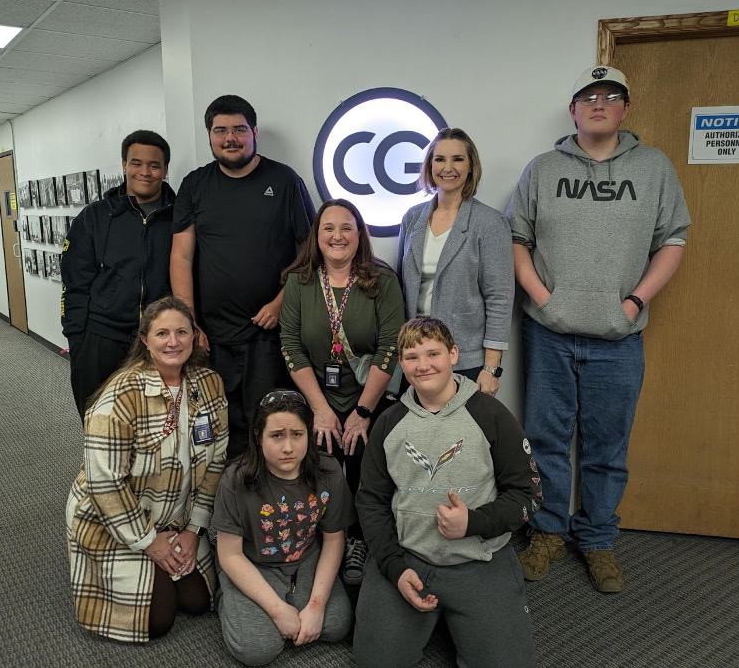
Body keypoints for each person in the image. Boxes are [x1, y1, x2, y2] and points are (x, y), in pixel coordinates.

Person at [508, 65, 691, 593]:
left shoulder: (654, 168)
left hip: (619, 338)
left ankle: (598, 540)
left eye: (611, 96)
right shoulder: (543, 169)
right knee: (544, 439)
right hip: (549, 334)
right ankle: (548, 531)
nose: (599, 104)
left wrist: (635, 302)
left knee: (607, 446)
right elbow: (518, 239)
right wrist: (544, 299)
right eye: (588, 97)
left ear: (625, 109)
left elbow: (673, 241)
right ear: (573, 110)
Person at [354, 318, 539, 668]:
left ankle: (462, 618)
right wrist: (393, 567)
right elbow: (370, 501)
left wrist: (473, 522)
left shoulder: (491, 415)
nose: (422, 365)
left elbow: (528, 495)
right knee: (374, 662)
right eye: (411, 357)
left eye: (433, 353)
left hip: (478, 559)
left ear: (453, 354)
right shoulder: (389, 423)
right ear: (401, 363)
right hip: (409, 559)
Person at [65, 296, 228, 643]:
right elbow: (105, 483)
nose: (173, 342)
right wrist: (150, 542)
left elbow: (215, 464)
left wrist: (194, 530)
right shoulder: (120, 396)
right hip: (115, 520)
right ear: (144, 340)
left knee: (199, 601)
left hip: (176, 519)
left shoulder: (209, 384)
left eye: (182, 332)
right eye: (162, 333)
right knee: (156, 620)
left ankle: (164, 561)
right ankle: (147, 563)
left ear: (194, 336)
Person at [170, 95, 315, 458]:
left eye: (239, 129)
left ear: (254, 132)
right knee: (218, 427)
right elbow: (181, 255)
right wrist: (189, 323)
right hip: (212, 336)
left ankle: (267, 492)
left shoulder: (284, 181)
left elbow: (309, 253)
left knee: (269, 424)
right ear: (209, 135)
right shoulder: (195, 184)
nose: (230, 138)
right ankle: (228, 492)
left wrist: (282, 301)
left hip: (268, 334)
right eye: (220, 130)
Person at [279, 198, 405, 584]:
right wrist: (320, 409)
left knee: (366, 465)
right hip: (319, 397)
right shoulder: (299, 281)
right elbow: (291, 346)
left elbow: (390, 347)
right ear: (317, 236)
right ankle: (325, 539)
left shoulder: (382, 281)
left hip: (369, 397)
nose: (338, 236)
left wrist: (363, 412)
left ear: (360, 234)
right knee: (320, 465)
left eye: (346, 227)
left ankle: (360, 540)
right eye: (328, 228)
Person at [212, 390, 355, 665]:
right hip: (254, 562)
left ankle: (295, 602)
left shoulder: (329, 471)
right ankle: (227, 595)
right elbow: (230, 555)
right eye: (277, 436)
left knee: (336, 625)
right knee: (257, 650)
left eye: (297, 435)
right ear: (259, 436)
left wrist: (316, 605)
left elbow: (334, 539)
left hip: (306, 558)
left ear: (308, 434)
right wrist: (277, 609)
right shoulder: (236, 479)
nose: (288, 447)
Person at [61, 130, 176, 420]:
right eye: (136, 163)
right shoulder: (94, 217)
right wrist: (78, 339)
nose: (145, 172)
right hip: (102, 339)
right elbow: (74, 283)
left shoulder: (180, 217)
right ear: (124, 165)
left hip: (162, 340)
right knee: (100, 423)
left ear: (165, 170)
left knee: (159, 425)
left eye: (154, 165)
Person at [398, 127, 514, 395]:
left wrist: (491, 369)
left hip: (465, 361)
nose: (447, 167)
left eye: (458, 159)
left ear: (471, 166)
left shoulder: (490, 223)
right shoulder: (412, 218)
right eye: (439, 159)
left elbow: (499, 297)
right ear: (430, 166)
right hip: (416, 357)